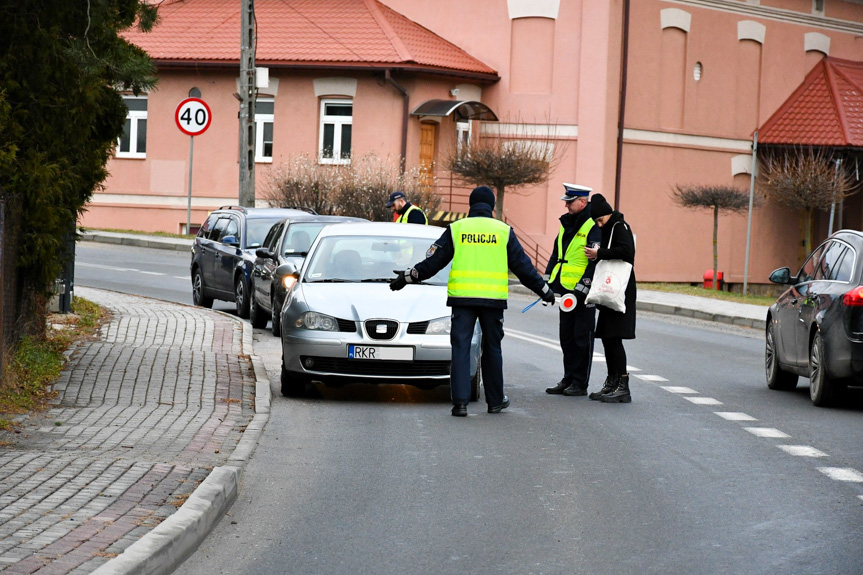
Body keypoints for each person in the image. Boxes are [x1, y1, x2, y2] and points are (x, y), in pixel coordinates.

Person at [390, 186, 555, 416]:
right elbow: (523, 267)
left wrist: (407, 277)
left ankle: (460, 403)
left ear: (471, 205)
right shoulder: (503, 231)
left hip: (463, 300)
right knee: (492, 348)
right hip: (493, 301)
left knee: (460, 348)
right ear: (490, 206)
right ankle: (495, 401)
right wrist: (544, 290)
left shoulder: (457, 229)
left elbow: (433, 262)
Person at [544, 183, 602, 397]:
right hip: (567, 292)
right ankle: (568, 378)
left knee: (582, 338)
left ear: (583, 202)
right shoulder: (566, 223)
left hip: (583, 294)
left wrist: (583, 286)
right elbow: (555, 254)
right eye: (566, 201)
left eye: (570, 201)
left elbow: (595, 261)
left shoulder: (592, 225)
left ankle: (580, 383)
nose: (566, 205)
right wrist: (547, 281)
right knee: (566, 337)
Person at [583, 193, 636, 403]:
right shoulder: (609, 228)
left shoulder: (619, 227)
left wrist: (600, 253)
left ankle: (623, 385)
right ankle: (612, 381)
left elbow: (627, 251)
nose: (598, 224)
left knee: (614, 337)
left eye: (599, 220)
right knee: (606, 336)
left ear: (607, 214)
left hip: (619, 289)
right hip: (609, 290)